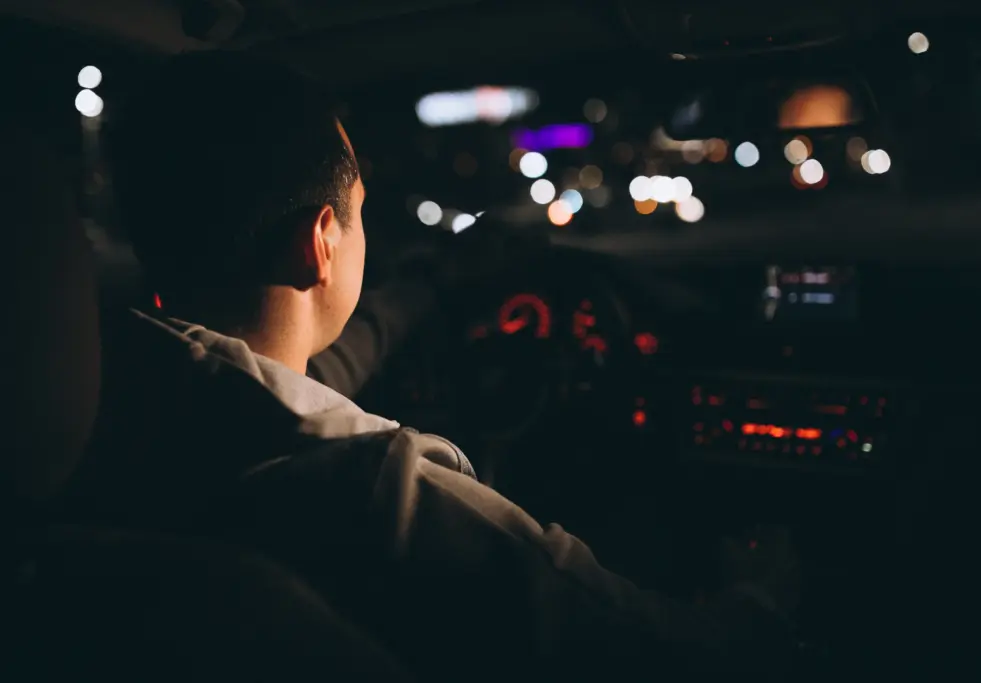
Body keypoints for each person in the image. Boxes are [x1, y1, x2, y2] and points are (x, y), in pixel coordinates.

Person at [68, 51, 805, 680]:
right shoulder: (382, 492)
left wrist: (430, 288)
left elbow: (306, 379)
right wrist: (763, 596)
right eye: (360, 210)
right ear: (320, 242)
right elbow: (663, 653)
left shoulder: (97, 396)